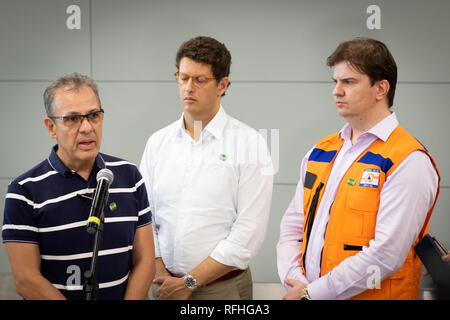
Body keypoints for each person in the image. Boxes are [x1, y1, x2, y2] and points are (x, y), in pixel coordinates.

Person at [276, 38, 440, 300]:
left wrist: (312, 293)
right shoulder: (320, 151)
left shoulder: (408, 160)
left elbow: (386, 255)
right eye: (335, 82)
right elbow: (293, 227)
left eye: (349, 82)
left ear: (381, 89)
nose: (336, 91)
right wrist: (295, 281)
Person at [139, 36, 273, 300]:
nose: (189, 87)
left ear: (222, 85)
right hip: (164, 284)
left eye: (200, 80)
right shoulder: (158, 142)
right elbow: (144, 216)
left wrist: (189, 282)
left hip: (221, 288)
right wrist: (161, 273)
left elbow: (248, 232)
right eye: (183, 77)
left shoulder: (249, 143)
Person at [2, 73, 155, 300]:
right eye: (72, 119)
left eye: (93, 115)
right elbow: (26, 280)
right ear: (51, 127)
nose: (86, 127)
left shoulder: (130, 176)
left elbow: (145, 261)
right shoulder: (24, 191)